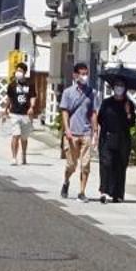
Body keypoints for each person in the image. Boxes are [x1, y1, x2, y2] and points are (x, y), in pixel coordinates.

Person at [57, 62, 96, 201]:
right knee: (71, 165)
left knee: (85, 165)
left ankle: (82, 192)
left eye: (86, 73)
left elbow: (92, 112)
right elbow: (65, 112)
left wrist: (95, 131)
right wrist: (67, 130)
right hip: (72, 133)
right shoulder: (68, 92)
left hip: (85, 132)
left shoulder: (91, 92)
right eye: (81, 73)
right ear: (75, 75)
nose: (84, 76)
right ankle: (66, 182)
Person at [95, 79, 136, 202]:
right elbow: (100, 119)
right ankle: (104, 191)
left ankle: (117, 194)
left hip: (123, 139)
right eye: (117, 85)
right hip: (107, 137)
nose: (119, 88)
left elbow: (132, 123)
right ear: (113, 88)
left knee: (120, 165)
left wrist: (128, 113)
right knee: (106, 163)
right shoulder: (107, 103)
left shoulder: (129, 104)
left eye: (122, 86)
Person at [2, 64, 37, 165]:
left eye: (20, 71)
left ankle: (24, 154)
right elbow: (9, 98)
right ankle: (14, 157)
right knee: (16, 135)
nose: (18, 72)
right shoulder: (12, 85)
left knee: (24, 138)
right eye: (17, 70)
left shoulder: (30, 84)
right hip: (14, 113)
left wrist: (31, 107)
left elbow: (33, 96)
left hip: (26, 114)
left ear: (25, 72)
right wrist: (5, 110)